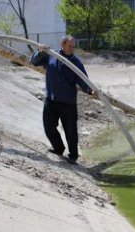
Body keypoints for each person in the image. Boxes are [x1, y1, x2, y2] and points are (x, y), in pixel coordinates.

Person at [30, 35, 94, 164]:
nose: (72, 49)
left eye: (73, 46)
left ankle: (73, 155)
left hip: (68, 102)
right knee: (48, 126)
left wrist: (90, 90)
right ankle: (58, 148)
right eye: (69, 46)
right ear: (62, 45)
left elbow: (83, 79)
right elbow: (35, 62)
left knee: (70, 130)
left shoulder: (75, 62)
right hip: (51, 99)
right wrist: (40, 51)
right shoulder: (51, 55)